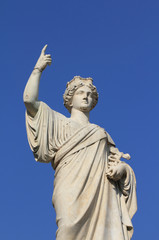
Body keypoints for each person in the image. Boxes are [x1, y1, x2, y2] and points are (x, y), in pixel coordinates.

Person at [23, 45, 137, 240]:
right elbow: (29, 101)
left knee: (107, 231)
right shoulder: (58, 122)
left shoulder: (101, 134)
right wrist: (37, 70)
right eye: (80, 93)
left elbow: (118, 166)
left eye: (90, 94)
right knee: (67, 228)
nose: (86, 96)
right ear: (70, 98)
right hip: (69, 186)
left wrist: (121, 171)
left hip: (102, 193)